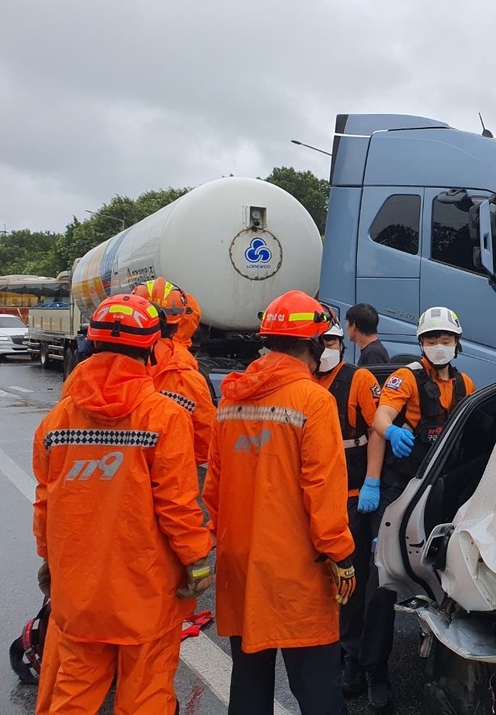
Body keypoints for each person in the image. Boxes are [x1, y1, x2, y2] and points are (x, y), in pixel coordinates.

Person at [32, 293, 212, 715]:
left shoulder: (57, 421)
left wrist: (48, 558)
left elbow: (46, 503)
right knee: (146, 694)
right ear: (152, 348)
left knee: (73, 692)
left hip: (79, 587)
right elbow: (178, 505)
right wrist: (197, 561)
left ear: (91, 345)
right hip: (145, 588)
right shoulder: (164, 418)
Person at [203, 289, 357, 715]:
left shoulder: (232, 396)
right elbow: (322, 489)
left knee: (249, 678)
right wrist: (340, 555)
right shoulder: (313, 401)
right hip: (294, 568)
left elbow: (213, 486)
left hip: (240, 560)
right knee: (316, 682)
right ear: (312, 345)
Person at [368, 306, 475, 711]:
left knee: (448, 576)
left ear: (456, 343)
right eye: (431, 339)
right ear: (421, 343)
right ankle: (371, 669)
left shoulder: (465, 384)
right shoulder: (406, 378)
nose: (438, 346)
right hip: (403, 488)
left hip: (444, 492)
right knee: (383, 579)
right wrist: (391, 430)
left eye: (444, 339)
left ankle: (444, 655)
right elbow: (382, 415)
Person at [314, 325, 387, 698]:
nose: (326, 349)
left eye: (332, 342)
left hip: (353, 493)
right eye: (321, 341)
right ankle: (329, 653)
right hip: (312, 497)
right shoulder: (302, 382)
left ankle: (356, 659)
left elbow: (378, 428)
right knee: (318, 583)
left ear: (342, 344)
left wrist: (372, 482)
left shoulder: (357, 379)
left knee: (355, 581)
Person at [134, 278, 217, 466]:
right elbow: (206, 442)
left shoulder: (87, 372)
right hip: (168, 482)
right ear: (180, 321)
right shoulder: (187, 376)